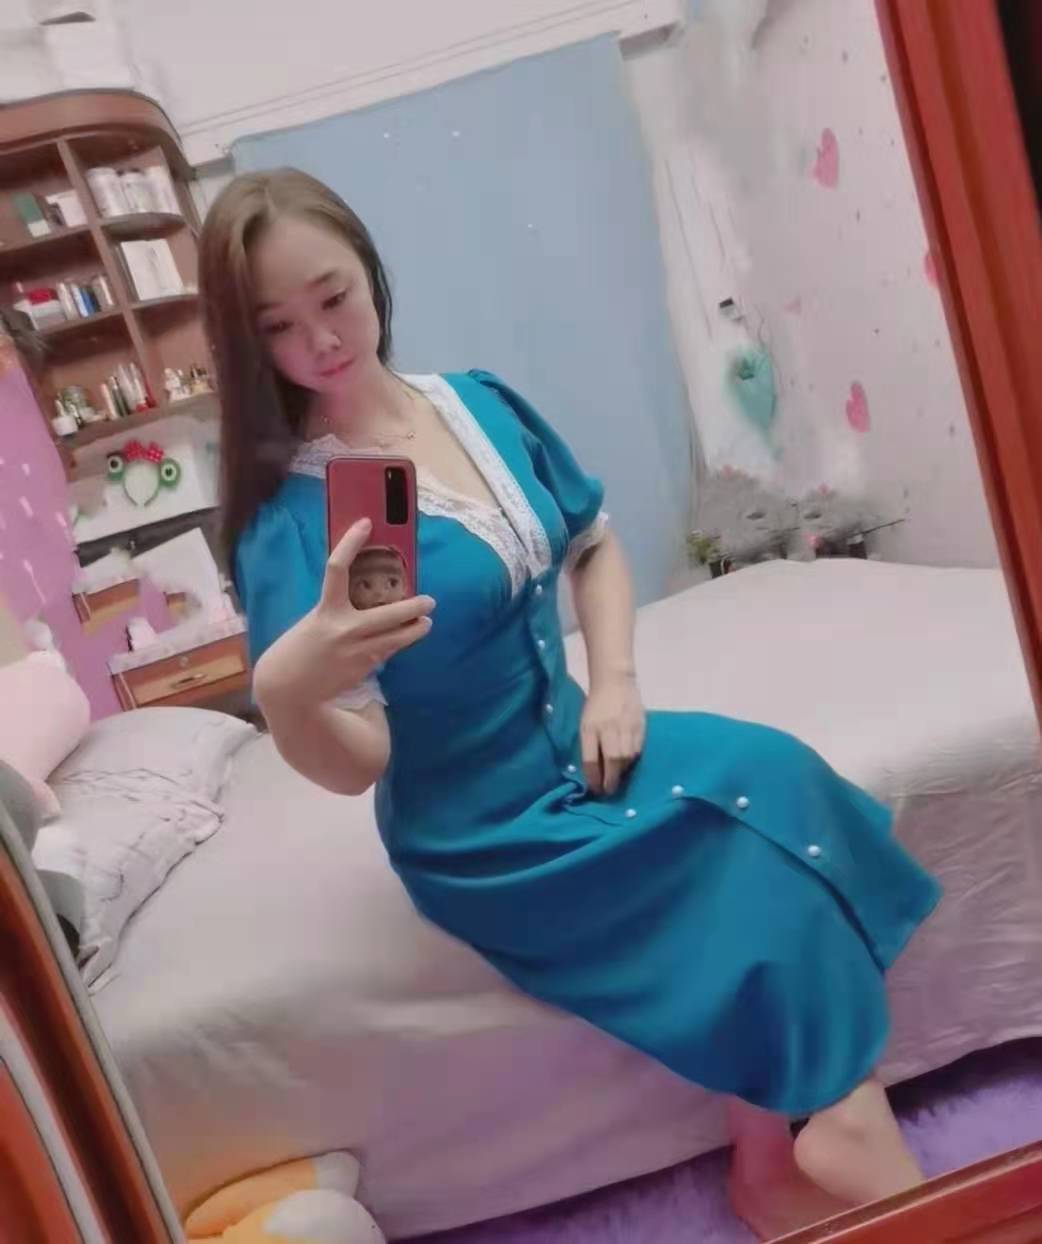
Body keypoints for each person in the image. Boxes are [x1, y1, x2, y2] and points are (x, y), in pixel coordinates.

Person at [199, 167, 941, 1240]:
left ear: (369, 269)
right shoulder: (294, 524)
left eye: (333, 295)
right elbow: (358, 760)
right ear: (250, 344)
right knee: (720, 847)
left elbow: (591, 545)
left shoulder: (479, 404)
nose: (320, 338)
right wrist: (286, 689)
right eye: (278, 325)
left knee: (768, 775)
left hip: (581, 744)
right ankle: (845, 1120)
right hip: (483, 827)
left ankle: (774, 1152)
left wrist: (619, 683)